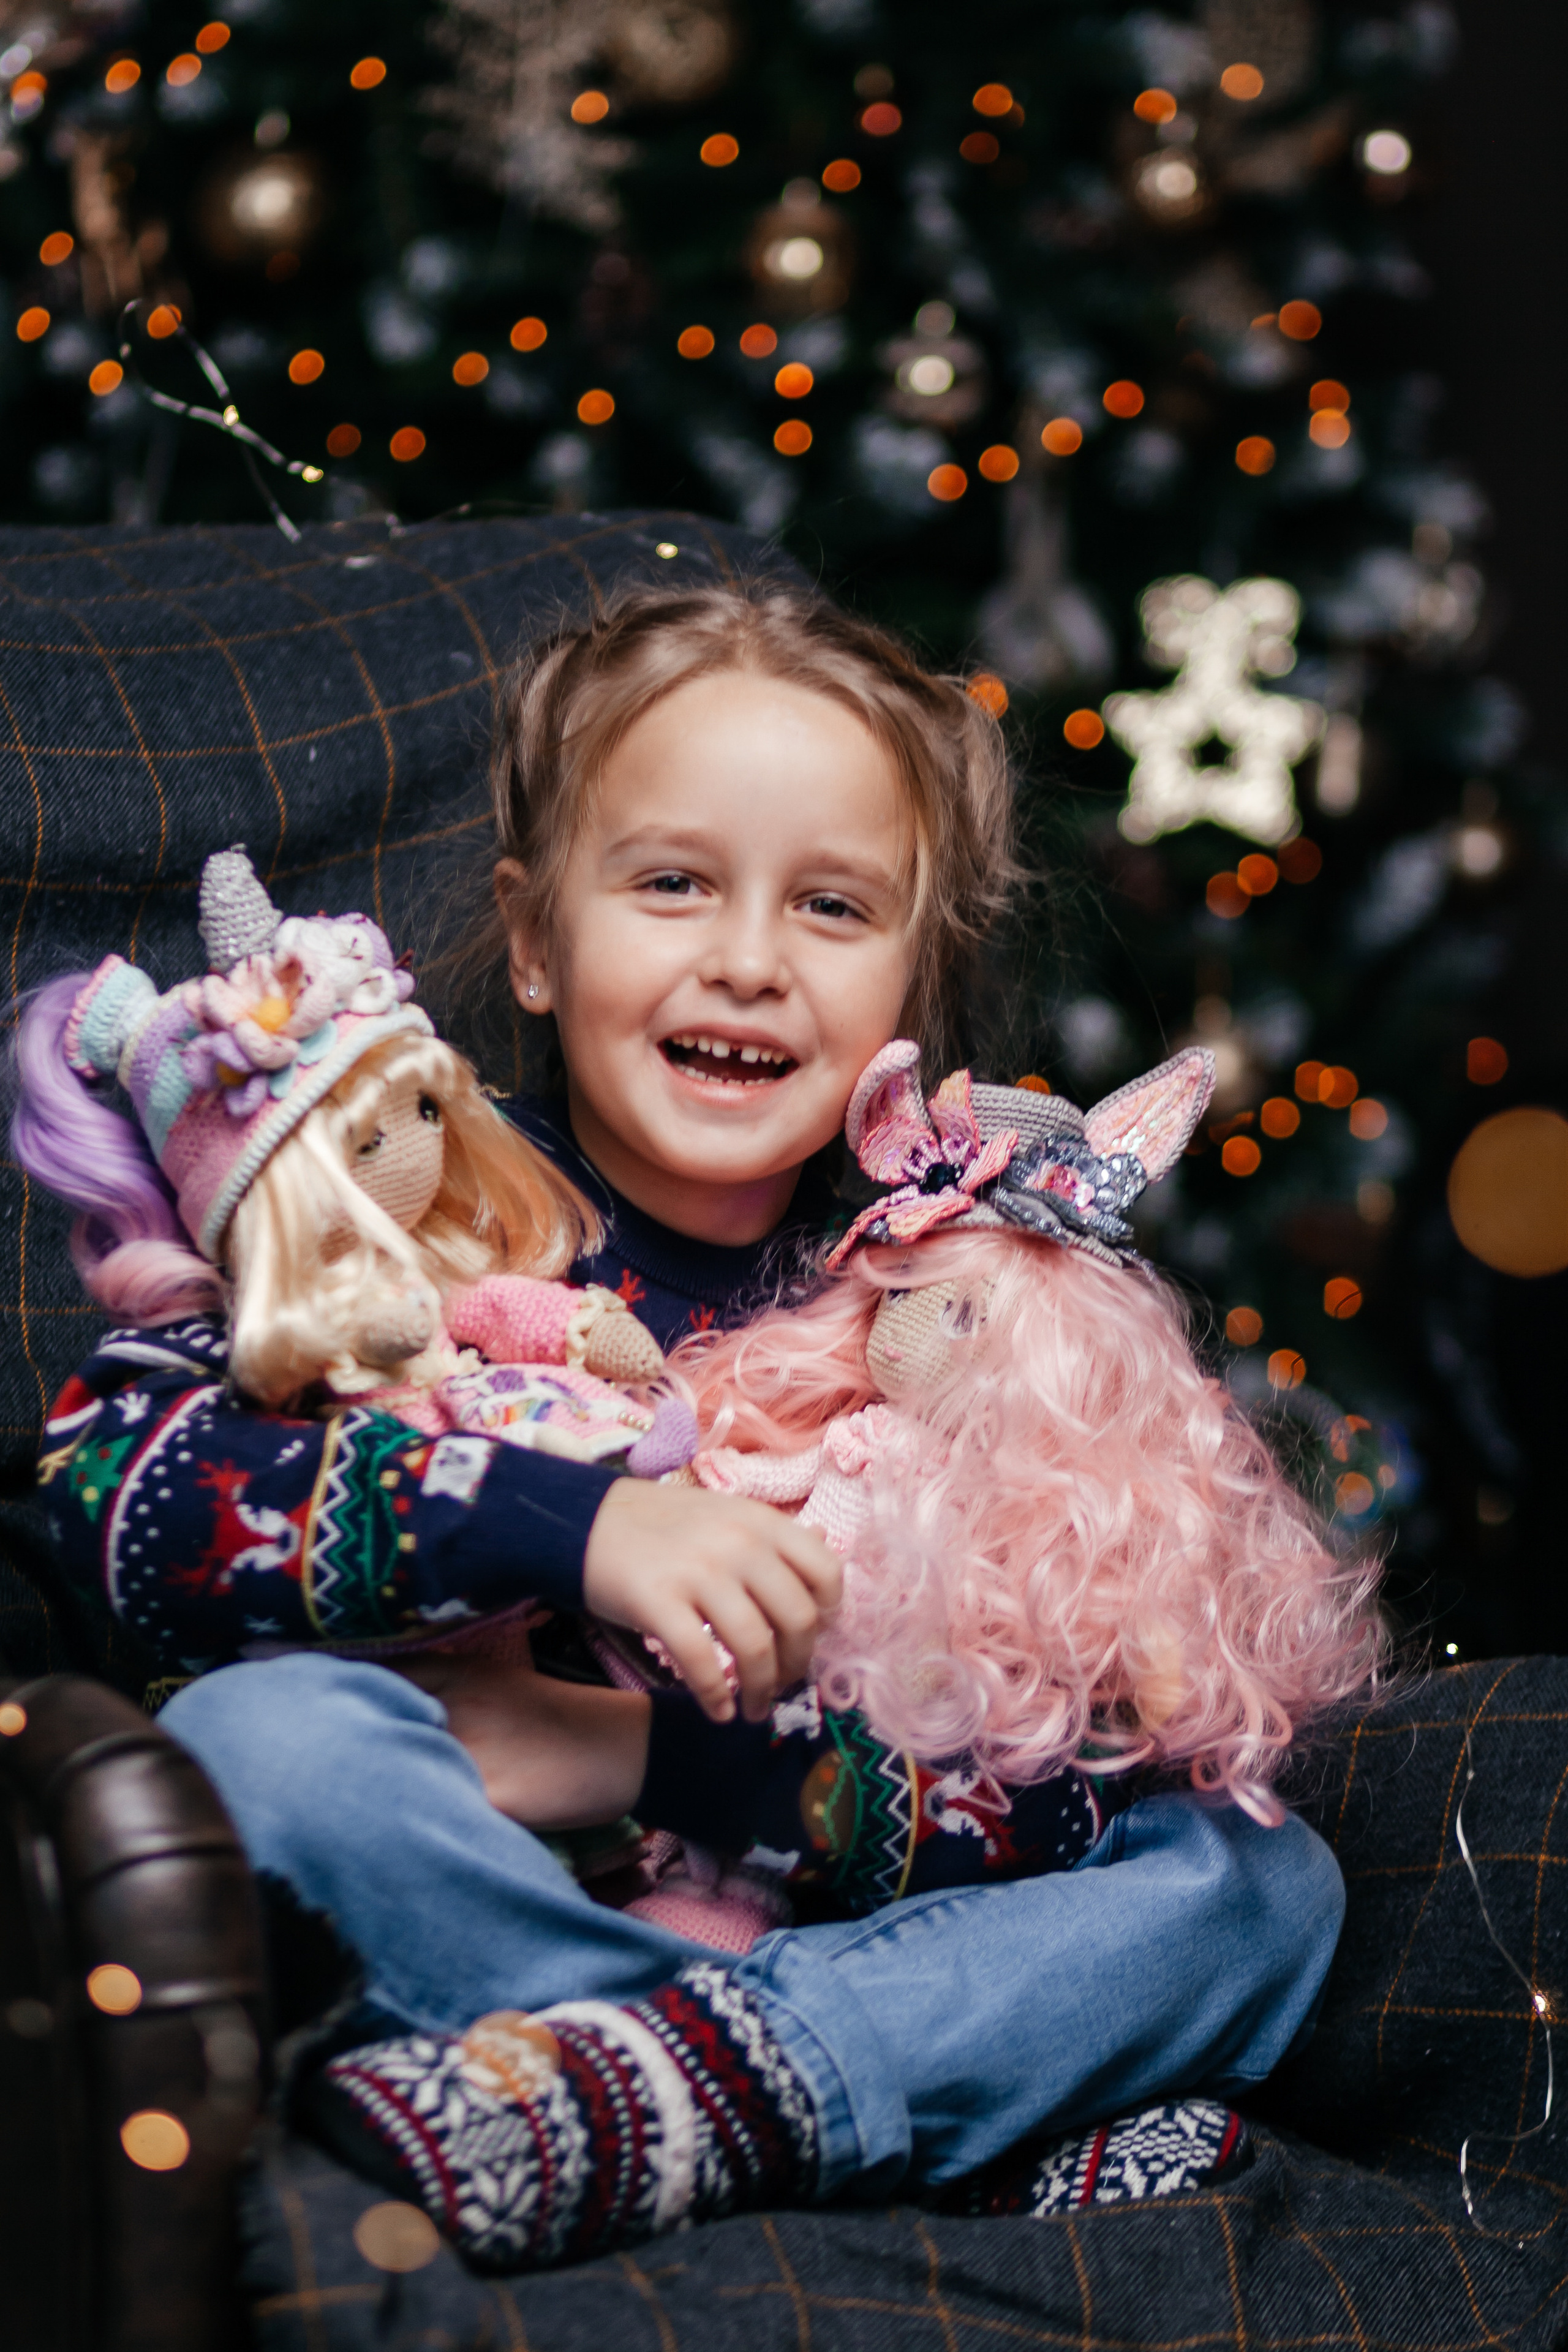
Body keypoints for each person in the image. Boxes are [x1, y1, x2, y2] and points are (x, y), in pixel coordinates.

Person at [13, 581, 1359, 2273]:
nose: (747, 958)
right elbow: (107, 1490)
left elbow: (1067, 1777)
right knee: (262, 1752)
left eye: (832, 906)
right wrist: (575, 1526)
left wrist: (645, 1754)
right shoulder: (389, 1182)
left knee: (1256, 1880)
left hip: (796, 1923)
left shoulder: (955, 1304)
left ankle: (710, 2092)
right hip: (493, 1910)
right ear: (530, 935)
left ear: (905, 994)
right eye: (671, 883)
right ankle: (898, 2107)